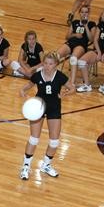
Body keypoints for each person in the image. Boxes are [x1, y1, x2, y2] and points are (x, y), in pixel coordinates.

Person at [19, 52, 75, 180]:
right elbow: (26, 87)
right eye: (45, 63)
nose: (47, 66)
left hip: (54, 108)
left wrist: (65, 94)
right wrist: (23, 92)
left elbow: (72, 88)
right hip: (38, 107)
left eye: (50, 64)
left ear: (56, 65)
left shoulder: (60, 76)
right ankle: (26, 166)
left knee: (54, 141)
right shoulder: (37, 75)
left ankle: (46, 165)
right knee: (34, 138)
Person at [77, 4, 104, 96]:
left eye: (102, 14)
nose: (101, 16)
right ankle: (87, 85)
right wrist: (99, 52)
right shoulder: (101, 24)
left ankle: (103, 86)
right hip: (98, 51)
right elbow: (95, 40)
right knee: (81, 62)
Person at [56, 5, 96, 86]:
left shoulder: (92, 24)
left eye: (86, 12)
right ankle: (48, 75)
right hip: (70, 43)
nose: (84, 14)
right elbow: (67, 36)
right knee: (56, 55)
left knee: (73, 58)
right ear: (79, 13)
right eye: (82, 12)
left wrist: (86, 26)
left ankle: (72, 83)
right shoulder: (75, 22)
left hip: (81, 45)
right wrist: (75, 35)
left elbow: (91, 39)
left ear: (88, 13)